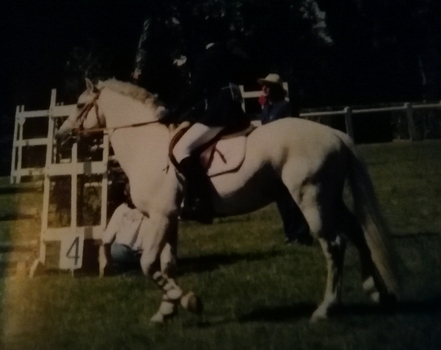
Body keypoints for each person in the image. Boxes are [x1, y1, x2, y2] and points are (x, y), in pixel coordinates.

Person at [161, 20, 250, 224]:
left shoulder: (207, 58)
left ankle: (201, 202)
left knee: (181, 149)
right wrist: (191, 112)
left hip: (221, 114)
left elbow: (195, 90)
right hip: (235, 111)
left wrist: (173, 111)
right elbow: (211, 92)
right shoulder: (230, 56)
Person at [258, 73, 313, 245]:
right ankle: (290, 233)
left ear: (275, 89)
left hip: (288, 159)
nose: (263, 89)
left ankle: (302, 233)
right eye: (263, 85)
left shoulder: (286, 107)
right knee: (281, 199)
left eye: (267, 86)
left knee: (293, 198)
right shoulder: (267, 109)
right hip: (273, 161)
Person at [101, 182, 144, 274]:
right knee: (118, 251)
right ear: (125, 193)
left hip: (139, 253)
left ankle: (130, 268)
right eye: (130, 193)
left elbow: (106, 240)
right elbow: (107, 240)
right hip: (124, 252)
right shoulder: (120, 211)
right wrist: (109, 262)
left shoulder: (145, 211)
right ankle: (131, 268)